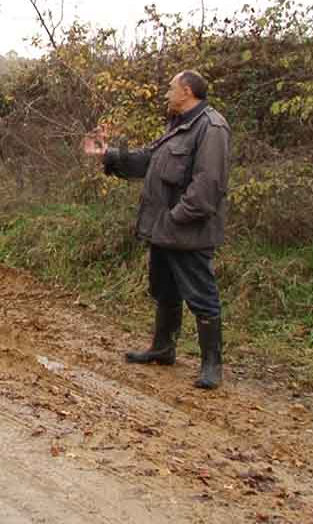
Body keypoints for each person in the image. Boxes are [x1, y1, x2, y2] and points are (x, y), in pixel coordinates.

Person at [82, 70, 230, 390]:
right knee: (165, 290)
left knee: (202, 296)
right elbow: (149, 160)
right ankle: (163, 349)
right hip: (164, 229)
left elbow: (208, 185)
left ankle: (212, 366)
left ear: (187, 90)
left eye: (171, 88)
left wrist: (176, 217)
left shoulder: (211, 127)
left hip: (188, 230)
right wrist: (109, 155)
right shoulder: (178, 124)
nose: (166, 94)